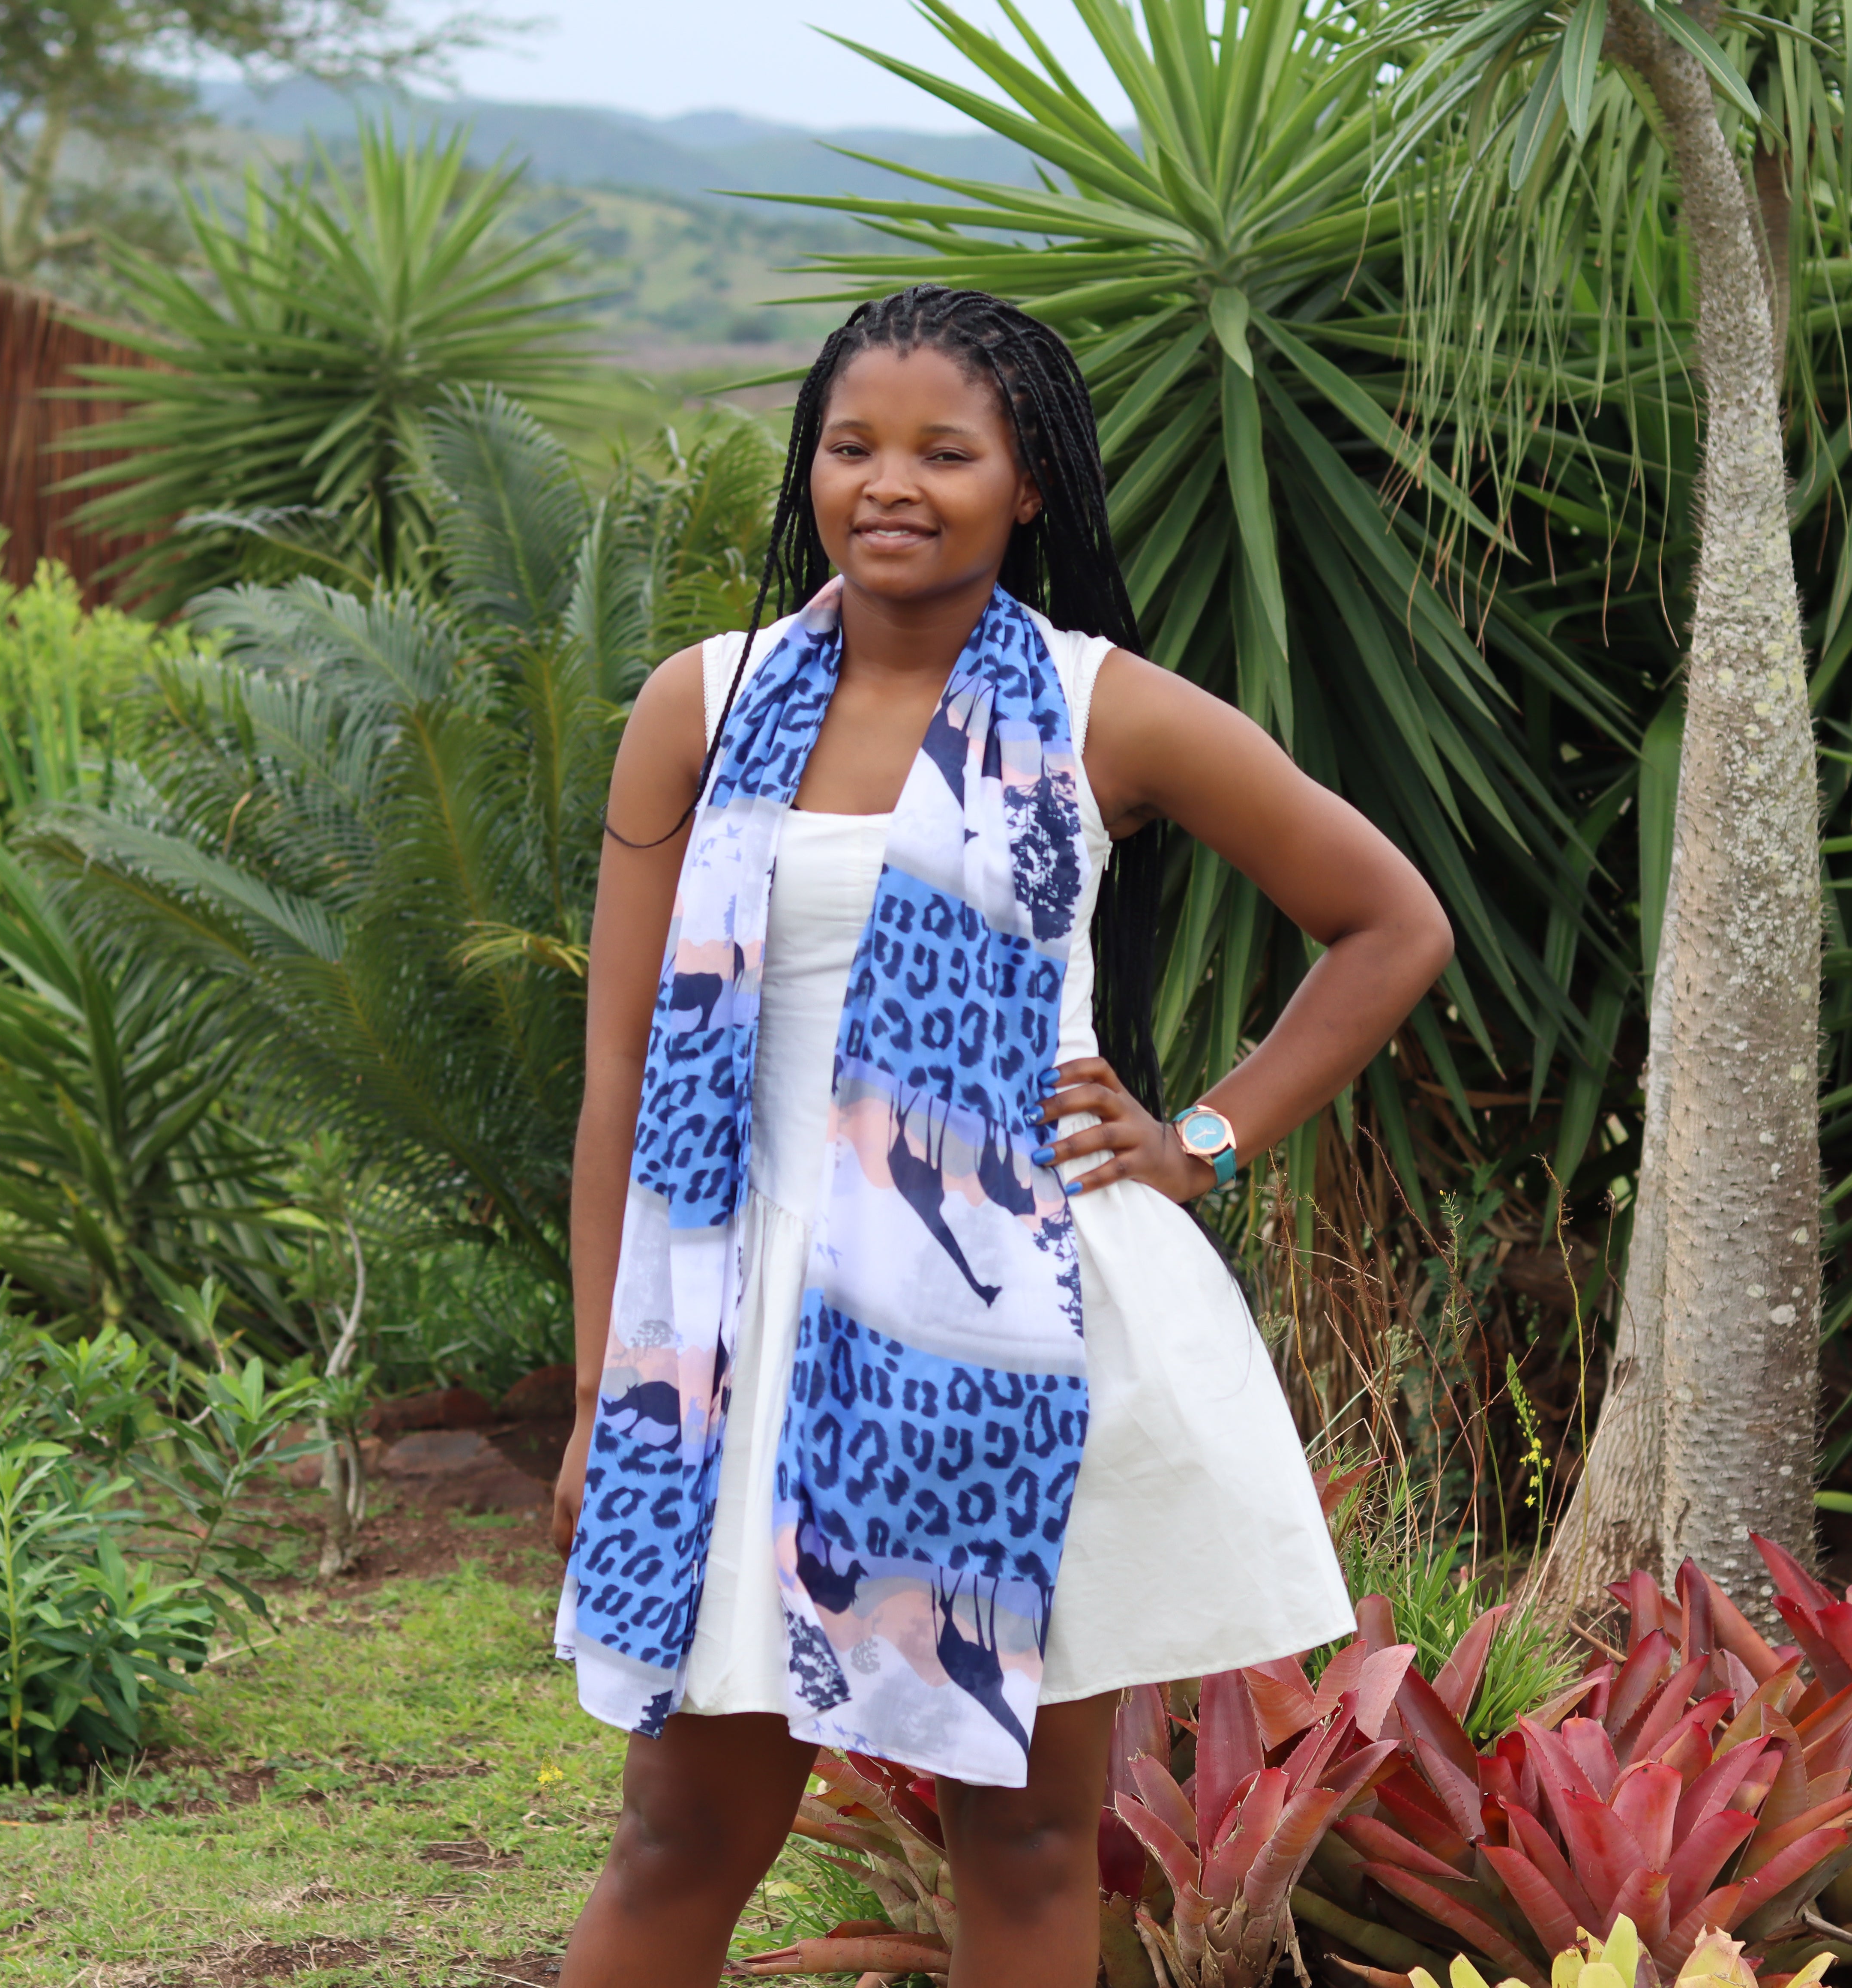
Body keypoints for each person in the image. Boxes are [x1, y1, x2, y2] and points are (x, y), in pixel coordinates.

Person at [551, 284, 1453, 1988]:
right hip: (730, 1340)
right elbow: (617, 1079)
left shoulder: (1104, 708)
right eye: (849, 445)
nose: (888, 483)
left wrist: (1200, 1135)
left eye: (941, 452)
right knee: (677, 1833)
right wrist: (610, 1380)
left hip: (1013, 1333)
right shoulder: (702, 702)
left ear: (1024, 482)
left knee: (1029, 1847)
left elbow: (1387, 921)